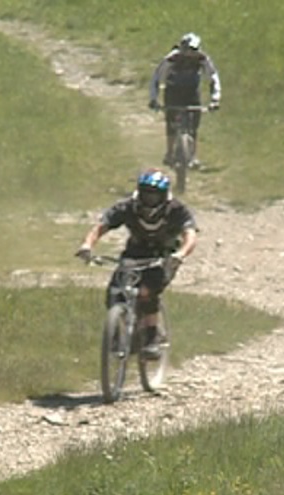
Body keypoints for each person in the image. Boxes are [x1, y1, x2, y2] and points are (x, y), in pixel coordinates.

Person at [75, 169, 198, 358]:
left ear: (163, 195)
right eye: (146, 193)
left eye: (154, 194)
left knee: (147, 292)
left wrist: (180, 254)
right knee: (114, 293)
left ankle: (151, 338)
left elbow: (190, 234)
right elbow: (102, 226)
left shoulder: (176, 210)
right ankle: (116, 334)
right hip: (135, 252)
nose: (150, 198)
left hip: (165, 255)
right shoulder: (128, 207)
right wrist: (87, 245)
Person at [148, 32, 221, 169]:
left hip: (191, 92)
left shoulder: (202, 59)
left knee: (193, 125)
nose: (188, 53)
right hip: (173, 92)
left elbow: (213, 77)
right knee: (171, 123)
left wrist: (215, 99)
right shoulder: (171, 59)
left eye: (192, 50)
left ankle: (192, 155)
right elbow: (157, 78)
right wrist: (153, 99)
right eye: (186, 49)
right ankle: (169, 153)